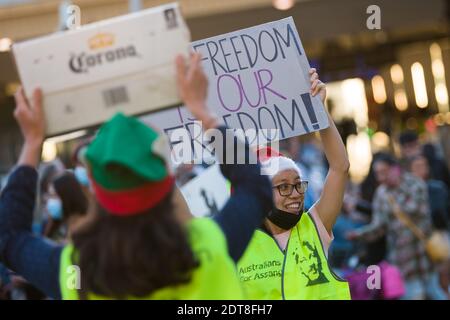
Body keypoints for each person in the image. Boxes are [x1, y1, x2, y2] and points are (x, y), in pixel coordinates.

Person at [0, 53, 273, 300]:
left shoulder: (76, 271)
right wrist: (204, 114)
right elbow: (254, 186)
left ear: (95, 191)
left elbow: (9, 237)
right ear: (168, 184)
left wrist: (33, 142)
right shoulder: (209, 246)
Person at [237, 69, 351, 300]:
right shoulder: (236, 243)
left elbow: (340, 167)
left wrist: (320, 110)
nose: (296, 194)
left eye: (298, 184)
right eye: (283, 186)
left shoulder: (315, 227)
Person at [347, 153, 447, 300]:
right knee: (413, 294)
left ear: (396, 169)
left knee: (435, 290)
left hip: (424, 254)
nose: (381, 178)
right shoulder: (381, 194)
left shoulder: (415, 183)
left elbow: (417, 210)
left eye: (384, 172)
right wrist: (359, 234)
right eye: (378, 174)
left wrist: (392, 207)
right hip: (403, 261)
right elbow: (379, 226)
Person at [43, 171, 89, 241]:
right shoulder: (56, 225)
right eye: (50, 196)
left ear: (67, 197)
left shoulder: (86, 228)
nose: (50, 201)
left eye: (54, 196)